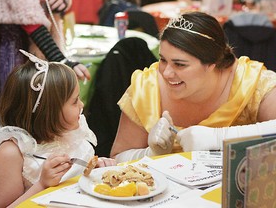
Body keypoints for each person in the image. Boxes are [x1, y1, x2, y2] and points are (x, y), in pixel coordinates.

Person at [110, 11, 276, 163]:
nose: (166, 73)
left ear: (212, 63)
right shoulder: (145, 89)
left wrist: (218, 138)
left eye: (180, 64)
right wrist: (151, 154)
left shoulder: (251, 82)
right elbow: (116, 159)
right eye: (163, 60)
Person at [0, 51, 116, 207]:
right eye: (75, 101)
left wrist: (96, 169)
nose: (82, 106)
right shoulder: (13, 153)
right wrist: (42, 185)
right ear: (49, 112)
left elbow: (76, 176)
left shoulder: (69, 131)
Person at [0, 0, 90, 116]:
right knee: (14, 108)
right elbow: (26, 14)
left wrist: (60, 0)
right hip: (10, 45)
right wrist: (60, 60)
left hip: (45, 39)